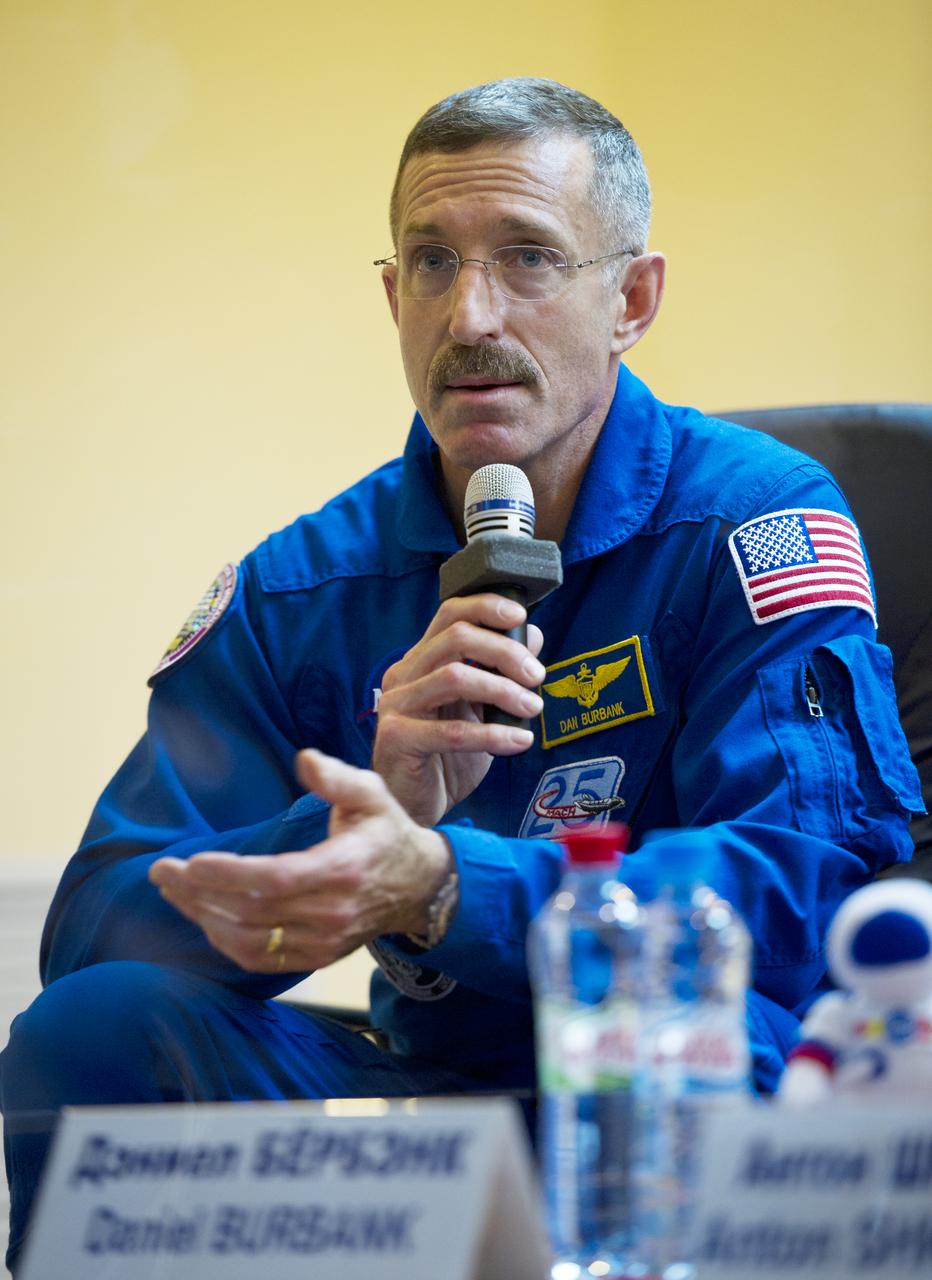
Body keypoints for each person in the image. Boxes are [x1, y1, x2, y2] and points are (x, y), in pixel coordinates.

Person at [0, 77, 923, 1273]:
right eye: (431, 262)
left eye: (528, 257)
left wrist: (443, 885)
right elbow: (93, 931)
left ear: (631, 299)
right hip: (426, 1101)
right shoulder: (302, 588)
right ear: (394, 297)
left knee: (694, 1049)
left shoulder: (753, 523)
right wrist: (349, 826)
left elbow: (801, 896)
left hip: (678, 1092)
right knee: (96, 1026)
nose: (469, 312)